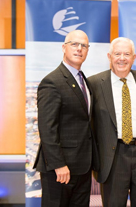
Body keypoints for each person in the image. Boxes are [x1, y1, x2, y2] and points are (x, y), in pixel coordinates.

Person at [34, 30, 98, 207]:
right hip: (60, 170)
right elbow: (47, 128)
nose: (79, 49)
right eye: (74, 44)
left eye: (84, 46)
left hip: (83, 167)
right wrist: (58, 165)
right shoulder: (52, 81)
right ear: (64, 47)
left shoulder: (83, 80)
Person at [88, 37, 136, 207]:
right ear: (109, 56)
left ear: (134, 58)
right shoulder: (94, 83)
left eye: (127, 54)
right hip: (112, 156)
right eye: (117, 54)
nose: (122, 58)